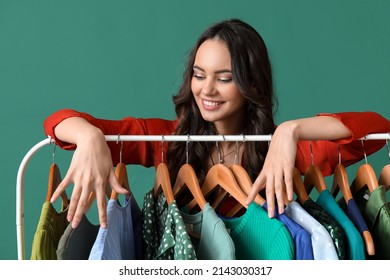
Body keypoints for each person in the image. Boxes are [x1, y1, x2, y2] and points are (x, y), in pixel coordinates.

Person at [44, 18, 390, 229]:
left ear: (251, 83)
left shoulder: (288, 152)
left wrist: (290, 131)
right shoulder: (167, 138)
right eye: (198, 75)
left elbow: (376, 131)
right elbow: (57, 122)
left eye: (224, 78)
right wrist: (90, 137)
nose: (206, 89)